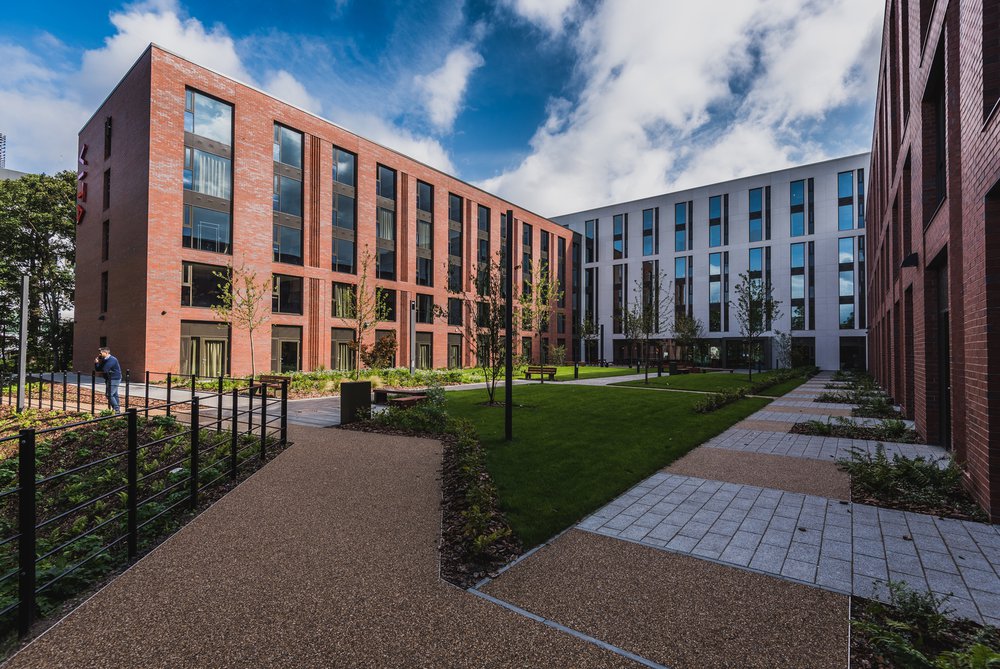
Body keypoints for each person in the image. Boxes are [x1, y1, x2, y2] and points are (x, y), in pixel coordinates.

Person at [94, 346, 122, 413]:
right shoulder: (105, 359)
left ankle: (116, 409)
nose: (99, 354)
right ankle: (117, 409)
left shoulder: (112, 359)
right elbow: (98, 369)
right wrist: (96, 363)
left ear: (106, 352)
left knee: (109, 394)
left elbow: (104, 369)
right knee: (114, 394)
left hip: (114, 379)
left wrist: (101, 367)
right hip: (109, 379)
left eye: (100, 353)